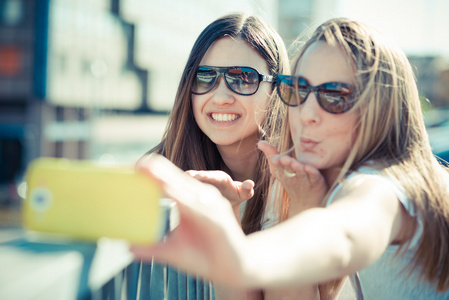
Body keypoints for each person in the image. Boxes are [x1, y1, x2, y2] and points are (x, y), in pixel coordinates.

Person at [132, 18, 449, 299]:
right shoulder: (318, 176)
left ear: (380, 108)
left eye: (334, 96)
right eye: (300, 89)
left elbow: (345, 235)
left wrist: (239, 256)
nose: (306, 113)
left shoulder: (377, 188)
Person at [139, 13, 333, 300]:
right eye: (205, 77)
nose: (220, 97)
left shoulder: (307, 181)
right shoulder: (162, 174)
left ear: (276, 88)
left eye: (242, 78)